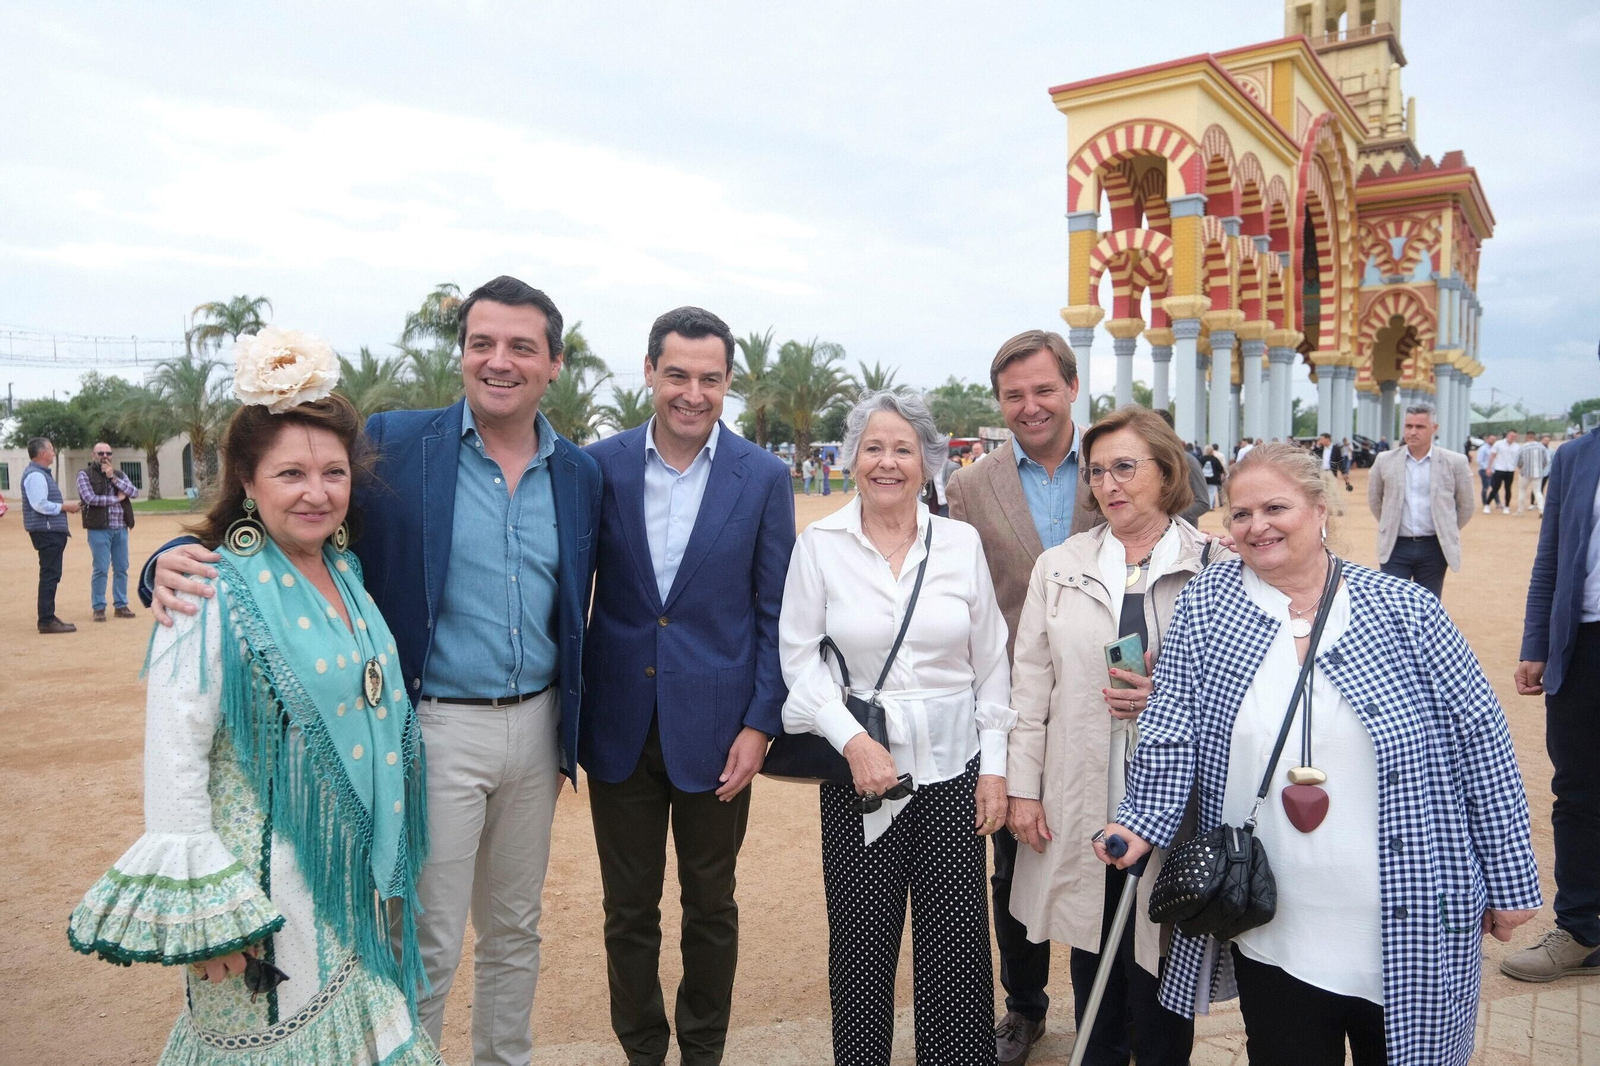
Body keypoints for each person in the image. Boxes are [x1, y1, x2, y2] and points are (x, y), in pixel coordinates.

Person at [143, 279, 603, 1066]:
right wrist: (164, 561)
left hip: (539, 728)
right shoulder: (395, 442)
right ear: (460, 353)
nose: (499, 361)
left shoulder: (583, 474)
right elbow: (289, 492)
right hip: (436, 727)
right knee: (423, 936)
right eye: (482, 342)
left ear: (554, 363)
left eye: (522, 347)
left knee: (516, 929)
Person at [1096, 442, 1541, 1065]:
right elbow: (1173, 725)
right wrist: (1140, 820)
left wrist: (1510, 877)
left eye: (1276, 507)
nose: (1258, 526)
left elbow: (1483, 746)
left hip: (1407, 908)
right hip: (1275, 915)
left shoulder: (1404, 610)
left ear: (1321, 507)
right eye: (1241, 514)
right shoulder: (1210, 606)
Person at [70, 343, 438, 1065]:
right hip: (261, 897)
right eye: (291, 473)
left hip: (348, 884)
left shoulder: (346, 570)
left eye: (333, 473)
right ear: (247, 480)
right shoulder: (207, 591)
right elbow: (174, 762)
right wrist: (214, 921)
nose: (316, 492)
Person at [582, 306, 795, 1066]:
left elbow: (776, 614)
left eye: (709, 378)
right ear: (649, 372)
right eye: (677, 374)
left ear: (728, 383)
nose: (692, 393)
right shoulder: (596, 467)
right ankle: (644, 1050)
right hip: (618, 729)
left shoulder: (764, 478)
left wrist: (760, 724)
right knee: (627, 911)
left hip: (720, 736)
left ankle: (702, 1050)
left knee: (711, 906)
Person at [780, 387, 1013, 1066]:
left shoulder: (960, 543)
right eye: (873, 448)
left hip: (955, 770)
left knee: (958, 949)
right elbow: (798, 660)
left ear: (928, 461)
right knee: (860, 948)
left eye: (903, 449)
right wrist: (852, 741)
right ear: (852, 457)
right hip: (862, 775)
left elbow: (992, 661)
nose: (888, 463)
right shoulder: (820, 545)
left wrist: (993, 766)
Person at [1008, 406, 1210, 1066]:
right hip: (1081, 791)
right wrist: (1022, 790)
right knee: (1092, 949)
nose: (1109, 484)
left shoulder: (1214, 566)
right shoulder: (1059, 565)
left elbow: (1241, 690)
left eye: (1126, 467)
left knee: (1158, 963)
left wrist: (1172, 695)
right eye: (1097, 472)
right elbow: (1030, 687)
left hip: (1174, 804)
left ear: (1166, 470)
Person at [945, 330, 1090, 1064]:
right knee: (1015, 861)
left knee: (1107, 851)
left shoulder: (1124, 462)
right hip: (1014, 706)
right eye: (1014, 396)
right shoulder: (970, 488)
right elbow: (967, 601)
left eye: (1043, 390)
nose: (1030, 406)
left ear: (1071, 386)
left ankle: (1106, 1009)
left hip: (1112, 700)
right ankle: (1023, 1008)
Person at [1510, 417, 1600, 981]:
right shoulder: (1574, 458)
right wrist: (1537, 644)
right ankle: (1583, 930)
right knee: (1578, 791)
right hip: (1584, 646)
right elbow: (1550, 560)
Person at [1367, 402, 1476, 599]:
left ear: (1434, 428)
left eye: (1420, 427)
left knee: (1428, 604)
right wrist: (1389, 523)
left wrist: (1446, 527)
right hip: (1395, 547)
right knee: (1392, 603)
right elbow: (1375, 500)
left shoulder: (1455, 462)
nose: (1412, 432)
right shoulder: (1384, 460)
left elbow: (1466, 506)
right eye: (1408, 426)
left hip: (1434, 548)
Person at [20, 436, 82, 634]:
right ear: (42, 453)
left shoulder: (40, 474)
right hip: (46, 532)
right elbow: (40, 504)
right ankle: (46, 619)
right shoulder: (36, 476)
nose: (54, 453)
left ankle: (48, 617)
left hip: (49, 531)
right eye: (52, 450)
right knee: (49, 575)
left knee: (51, 574)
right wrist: (66, 507)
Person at [77, 441, 140, 621]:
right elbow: (89, 498)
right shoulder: (84, 474)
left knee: (121, 568)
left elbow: (134, 492)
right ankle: (99, 607)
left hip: (120, 528)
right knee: (101, 569)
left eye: (108, 453)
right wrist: (116, 499)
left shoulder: (118, 474)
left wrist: (113, 478)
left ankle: (121, 605)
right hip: (99, 530)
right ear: (93, 455)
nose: (105, 456)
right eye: (100, 453)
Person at [1487, 429, 1521, 513]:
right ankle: (1487, 504)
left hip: (1510, 470)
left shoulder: (1517, 447)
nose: (1512, 437)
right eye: (1511, 435)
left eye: (1514, 436)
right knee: (1495, 488)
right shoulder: (1499, 444)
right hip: (1499, 468)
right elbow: (1492, 456)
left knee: (1508, 488)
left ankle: (1507, 506)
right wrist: (1489, 467)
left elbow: (1518, 459)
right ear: (1507, 435)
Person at [1516, 432, 1551, 515]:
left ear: (1526, 437)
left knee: (1522, 490)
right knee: (1538, 491)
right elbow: (1547, 460)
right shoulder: (1542, 447)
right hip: (1538, 472)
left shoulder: (1522, 448)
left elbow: (1518, 461)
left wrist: (1521, 467)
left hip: (1525, 473)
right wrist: (1541, 467)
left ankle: (1520, 511)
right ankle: (1541, 510)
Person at [1312, 433, 1344, 515]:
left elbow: (1340, 460)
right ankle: (1329, 510)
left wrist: (1344, 472)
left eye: (1322, 439)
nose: (1321, 440)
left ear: (1327, 439)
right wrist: (1317, 446)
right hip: (1322, 472)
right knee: (1324, 492)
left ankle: (1340, 509)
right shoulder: (1321, 448)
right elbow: (1312, 454)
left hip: (1331, 472)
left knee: (1334, 491)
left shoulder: (1335, 448)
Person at [1476, 433, 1496, 507]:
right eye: (1491, 439)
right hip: (1484, 470)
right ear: (1487, 439)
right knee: (1486, 487)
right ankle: (1485, 502)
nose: (1493, 441)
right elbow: (1479, 460)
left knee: (1495, 486)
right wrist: (1487, 468)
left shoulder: (1494, 448)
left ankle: (1497, 502)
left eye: (1494, 440)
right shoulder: (1483, 448)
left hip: (1493, 470)